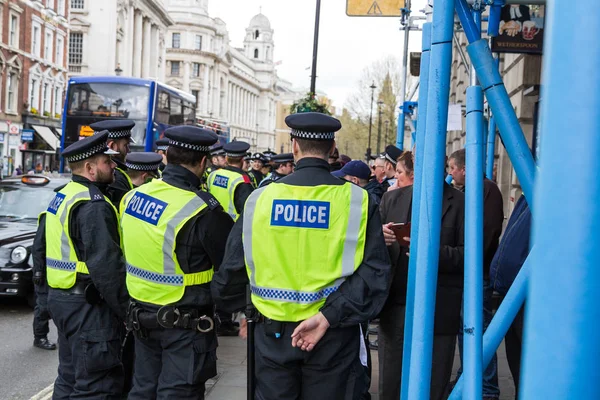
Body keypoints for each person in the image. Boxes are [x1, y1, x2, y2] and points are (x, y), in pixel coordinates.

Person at [211, 112, 391, 400]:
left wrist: (241, 309)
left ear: (294, 146)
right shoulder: (358, 200)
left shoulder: (260, 199)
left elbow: (232, 267)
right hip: (333, 334)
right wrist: (326, 317)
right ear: (333, 148)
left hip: (271, 333)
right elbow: (375, 275)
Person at [121, 126, 234, 399]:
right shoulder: (203, 210)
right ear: (204, 163)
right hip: (185, 325)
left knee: (143, 391)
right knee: (178, 394)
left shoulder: (133, 197)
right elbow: (230, 269)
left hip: (141, 317)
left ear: (166, 158)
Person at [34, 131, 129, 399]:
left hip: (63, 302)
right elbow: (107, 267)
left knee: (69, 377)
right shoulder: (93, 205)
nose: (113, 165)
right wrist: (127, 311)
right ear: (89, 168)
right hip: (89, 309)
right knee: (97, 386)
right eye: (107, 162)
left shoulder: (64, 195)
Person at [378, 173, 464, 400]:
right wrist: (380, 237)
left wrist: (430, 251)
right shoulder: (391, 199)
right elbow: (370, 250)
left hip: (439, 309)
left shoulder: (462, 203)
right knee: (391, 384)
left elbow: (469, 256)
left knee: (434, 386)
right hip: (396, 307)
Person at [447, 148, 504, 399]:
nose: (450, 173)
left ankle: (487, 387)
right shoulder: (476, 190)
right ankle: (470, 378)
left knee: (476, 330)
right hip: (471, 271)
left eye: (452, 168)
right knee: (468, 328)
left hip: (477, 273)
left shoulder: (486, 190)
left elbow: (485, 234)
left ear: (465, 169)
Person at [489, 195, 531, 398]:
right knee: (515, 355)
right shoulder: (529, 195)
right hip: (512, 289)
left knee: (526, 358)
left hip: (526, 292)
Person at [90, 119, 135, 210]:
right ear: (112, 146)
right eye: (125, 145)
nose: (128, 150)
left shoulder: (97, 171)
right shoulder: (113, 176)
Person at [207, 142, 254, 221]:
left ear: (226, 158)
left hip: (212, 221)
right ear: (242, 160)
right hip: (232, 225)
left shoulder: (213, 175)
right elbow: (248, 210)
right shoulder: (242, 180)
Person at [31, 212, 57, 351]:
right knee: (43, 306)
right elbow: (38, 246)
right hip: (45, 270)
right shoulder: (48, 216)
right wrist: (39, 271)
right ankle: (40, 337)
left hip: (56, 271)